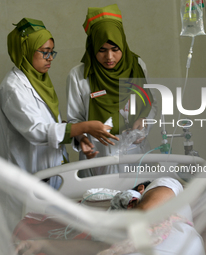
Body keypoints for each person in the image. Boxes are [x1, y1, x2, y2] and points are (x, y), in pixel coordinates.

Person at [0, 18, 118, 231]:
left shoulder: (39, 81)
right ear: (25, 51)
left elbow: (51, 124)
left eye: (52, 52)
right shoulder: (14, 88)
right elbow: (37, 132)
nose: (50, 58)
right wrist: (84, 127)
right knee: (30, 238)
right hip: (28, 178)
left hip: (49, 175)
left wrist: (78, 136)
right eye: (44, 52)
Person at [66, 4, 157, 176]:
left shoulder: (137, 67)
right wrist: (82, 138)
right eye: (102, 50)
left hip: (135, 153)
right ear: (92, 47)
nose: (109, 57)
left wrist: (144, 120)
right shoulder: (78, 76)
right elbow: (74, 119)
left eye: (115, 49)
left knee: (139, 199)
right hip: (99, 155)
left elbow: (151, 103)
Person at [14, 177, 205, 255]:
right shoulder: (123, 227)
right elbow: (101, 247)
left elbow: (144, 215)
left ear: (142, 188)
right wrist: (42, 243)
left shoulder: (166, 183)